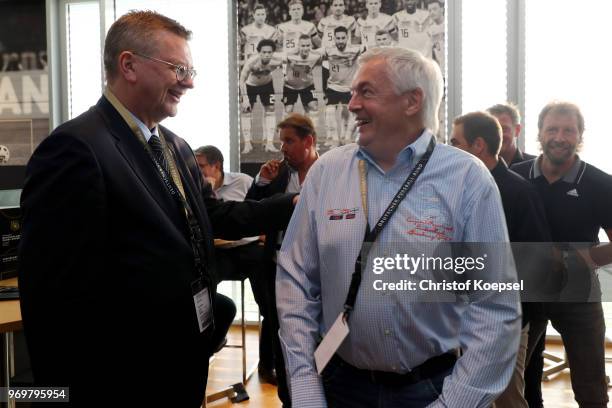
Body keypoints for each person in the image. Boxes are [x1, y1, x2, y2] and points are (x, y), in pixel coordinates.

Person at [18, 11, 295, 408]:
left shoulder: (175, 146)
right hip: (120, 379)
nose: (190, 81)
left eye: (191, 69)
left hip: (180, 360)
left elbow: (210, 218)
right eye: (178, 68)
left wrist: (292, 204)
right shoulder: (76, 149)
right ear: (128, 65)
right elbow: (53, 294)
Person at [276, 47, 521, 408]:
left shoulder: (467, 180)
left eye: (366, 92)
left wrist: (454, 402)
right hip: (339, 385)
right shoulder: (328, 173)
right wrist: (305, 385)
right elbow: (296, 280)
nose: (352, 104)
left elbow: (495, 307)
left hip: (431, 390)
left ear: (412, 101)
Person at [512, 101, 612, 408]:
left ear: (580, 135)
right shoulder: (514, 178)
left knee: (590, 383)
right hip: (525, 291)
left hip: (577, 291)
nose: (560, 137)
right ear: (539, 133)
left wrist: (578, 260)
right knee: (513, 375)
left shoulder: (600, 183)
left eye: (569, 130)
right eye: (552, 129)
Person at [450, 111, 552, 408]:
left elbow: (536, 261)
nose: (449, 148)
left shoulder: (519, 193)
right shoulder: (459, 189)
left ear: (478, 145)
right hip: (462, 314)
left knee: (506, 397)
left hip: (506, 318)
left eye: (456, 142)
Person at [246, 113, 319, 407]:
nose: (283, 148)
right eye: (281, 141)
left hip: (315, 271)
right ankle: (287, 397)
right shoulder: (278, 175)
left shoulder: (329, 171)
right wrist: (262, 181)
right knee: (280, 332)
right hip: (277, 266)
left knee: (313, 336)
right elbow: (252, 208)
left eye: (289, 141)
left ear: (309, 141)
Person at [194, 145, 276, 383]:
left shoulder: (242, 181)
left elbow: (258, 208)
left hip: (250, 250)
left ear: (216, 166)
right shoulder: (198, 189)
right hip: (218, 252)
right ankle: (213, 339)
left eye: (200, 167)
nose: (196, 171)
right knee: (201, 292)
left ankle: (267, 365)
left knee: (269, 305)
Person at [239, 38, 284, 154]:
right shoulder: (251, 62)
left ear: (273, 52)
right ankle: (248, 144)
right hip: (250, 86)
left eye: (269, 52)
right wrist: (245, 99)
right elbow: (242, 80)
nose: (267, 55)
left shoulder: (277, 60)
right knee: (246, 110)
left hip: (267, 85)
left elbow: (291, 61)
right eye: (264, 52)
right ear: (259, 52)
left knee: (271, 109)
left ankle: (269, 143)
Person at [322, 26, 362, 147]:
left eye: (343, 38)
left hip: (349, 87)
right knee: (329, 110)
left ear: (347, 38)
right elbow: (316, 59)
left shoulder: (357, 49)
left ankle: (347, 136)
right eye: (338, 38)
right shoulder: (328, 50)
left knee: (349, 112)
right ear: (334, 38)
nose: (340, 40)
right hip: (333, 86)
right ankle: (334, 138)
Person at [282, 35, 322, 114]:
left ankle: (308, 125)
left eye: (308, 45)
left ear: (311, 45)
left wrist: (308, 69)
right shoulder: (289, 55)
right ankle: (287, 125)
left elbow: (315, 63)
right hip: (290, 87)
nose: (305, 48)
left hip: (307, 86)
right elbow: (283, 64)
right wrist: (285, 76)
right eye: (303, 46)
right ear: (298, 46)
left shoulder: (316, 55)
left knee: (313, 107)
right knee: (288, 110)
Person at [487, 102, 536, 167]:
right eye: (492, 130)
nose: (497, 136)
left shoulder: (535, 167)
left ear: (517, 130)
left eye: (504, 129)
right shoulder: (480, 168)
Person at [426, 0, 445, 71]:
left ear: (442, 9)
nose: (432, 13)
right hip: (440, 71)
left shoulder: (451, 24)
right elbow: (432, 52)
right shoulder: (430, 30)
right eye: (429, 10)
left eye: (434, 9)